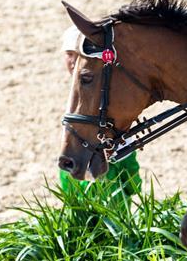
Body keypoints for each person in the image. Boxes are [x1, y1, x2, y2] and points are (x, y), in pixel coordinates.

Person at [59, 25, 142, 200]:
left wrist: (132, 182)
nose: (74, 61)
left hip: (112, 182)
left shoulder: (107, 95)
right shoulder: (72, 97)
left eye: (77, 55)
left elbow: (128, 159)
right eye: (69, 54)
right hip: (78, 187)